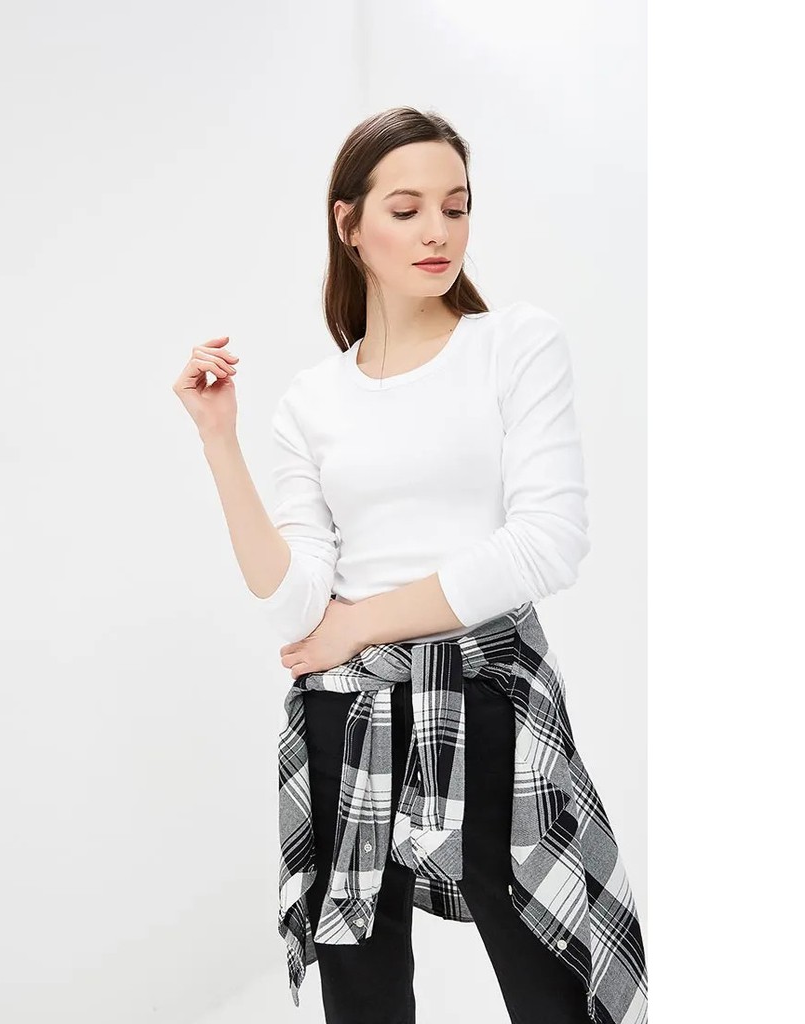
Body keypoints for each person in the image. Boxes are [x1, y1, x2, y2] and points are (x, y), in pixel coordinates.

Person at [173, 107, 646, 1024]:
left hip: (484, 693)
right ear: (349, 224)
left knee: (551, 980)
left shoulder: (514, 344)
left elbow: (550, 541)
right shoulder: (311, 401)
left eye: (456, 207)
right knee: (361, 998)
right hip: (344, 709)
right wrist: (218, 439)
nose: (439, 231)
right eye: (407, 209)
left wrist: (358, 622)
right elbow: (296, 606)